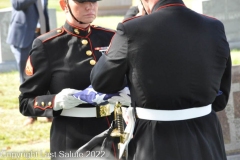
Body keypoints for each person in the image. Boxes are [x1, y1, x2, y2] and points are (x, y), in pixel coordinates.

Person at [90, 0, 232, 160]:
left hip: (154, 139)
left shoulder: (131, 29)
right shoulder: (214, 26)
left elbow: (101, 81)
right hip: (206, 136)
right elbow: (221, 98)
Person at [19, 0, 115, 159]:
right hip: (71, 141)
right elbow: (25, 102)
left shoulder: (111, 38)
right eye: (82, 1)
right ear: (64, 5)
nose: (89, 6)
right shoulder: (47, 45)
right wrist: (56, 101)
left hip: (110, 134)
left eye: (94, 1)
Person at [6, 0, 52, 125]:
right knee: (27, 78)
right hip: (23, 37)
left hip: (41, 36)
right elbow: (17, 4)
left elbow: (43, 12)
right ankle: (31, 114)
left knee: (46, 75)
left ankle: (47, 111)